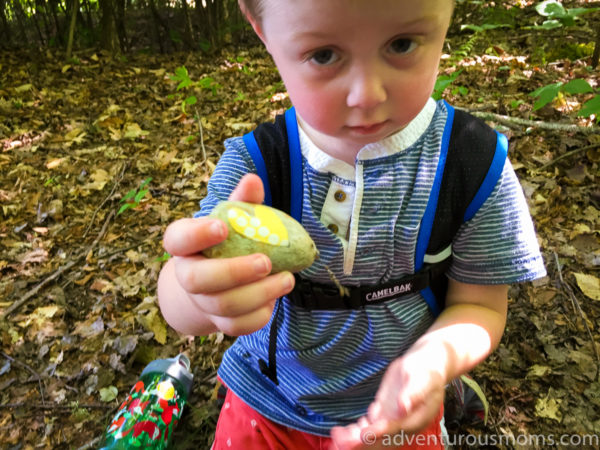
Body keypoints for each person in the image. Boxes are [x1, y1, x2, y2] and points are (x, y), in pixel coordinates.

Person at [157, 0, 547, 448]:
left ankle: (452, 393)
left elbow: (481, 308)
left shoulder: (473, 166)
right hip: (268, 405)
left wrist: (435, 362)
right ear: (261, 29)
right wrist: (195, 292)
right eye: (324, 55)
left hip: (398, 413)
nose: (368, 94)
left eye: (401, 44)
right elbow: (178, 303)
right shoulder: (258, 167)